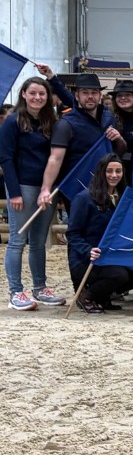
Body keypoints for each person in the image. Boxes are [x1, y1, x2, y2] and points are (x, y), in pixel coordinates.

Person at [66, 154, 133, 313]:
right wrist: (88, 250)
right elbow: (73, 234)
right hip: (87, 260)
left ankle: (103, 294)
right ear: (101, 172)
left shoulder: (125, 199)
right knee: (119, 275)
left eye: (118, 171)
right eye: (109, 171)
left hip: (113, 256)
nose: (114, 175)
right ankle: (87, 296)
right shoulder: (84, 198)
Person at [1, 77, 62, 310]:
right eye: (33, 93)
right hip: (23, 187)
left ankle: (39, 287)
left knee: (39, 241)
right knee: (17, 240)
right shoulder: (12, 121)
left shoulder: (51, 122)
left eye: (42, 93)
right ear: (24, 94)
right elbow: (6, 158)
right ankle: (15, 292)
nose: (37, 97)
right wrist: (14, 192)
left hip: (47, 188)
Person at [38, 72, 125, 212]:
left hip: (106, 185)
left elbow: (118, 152)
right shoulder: (65, 124)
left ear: (100, 95)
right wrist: (45, 188)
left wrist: (119, 138)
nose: (90, 96)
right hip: (77, 188)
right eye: (85, 92)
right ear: (77, 95)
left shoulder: (109, 118)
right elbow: (55, 158)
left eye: (94, 92)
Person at [108, 79, 133, 179]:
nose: (123, 98)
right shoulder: (108, 118)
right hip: (116, 169)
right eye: (119, 95)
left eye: (127, 94)